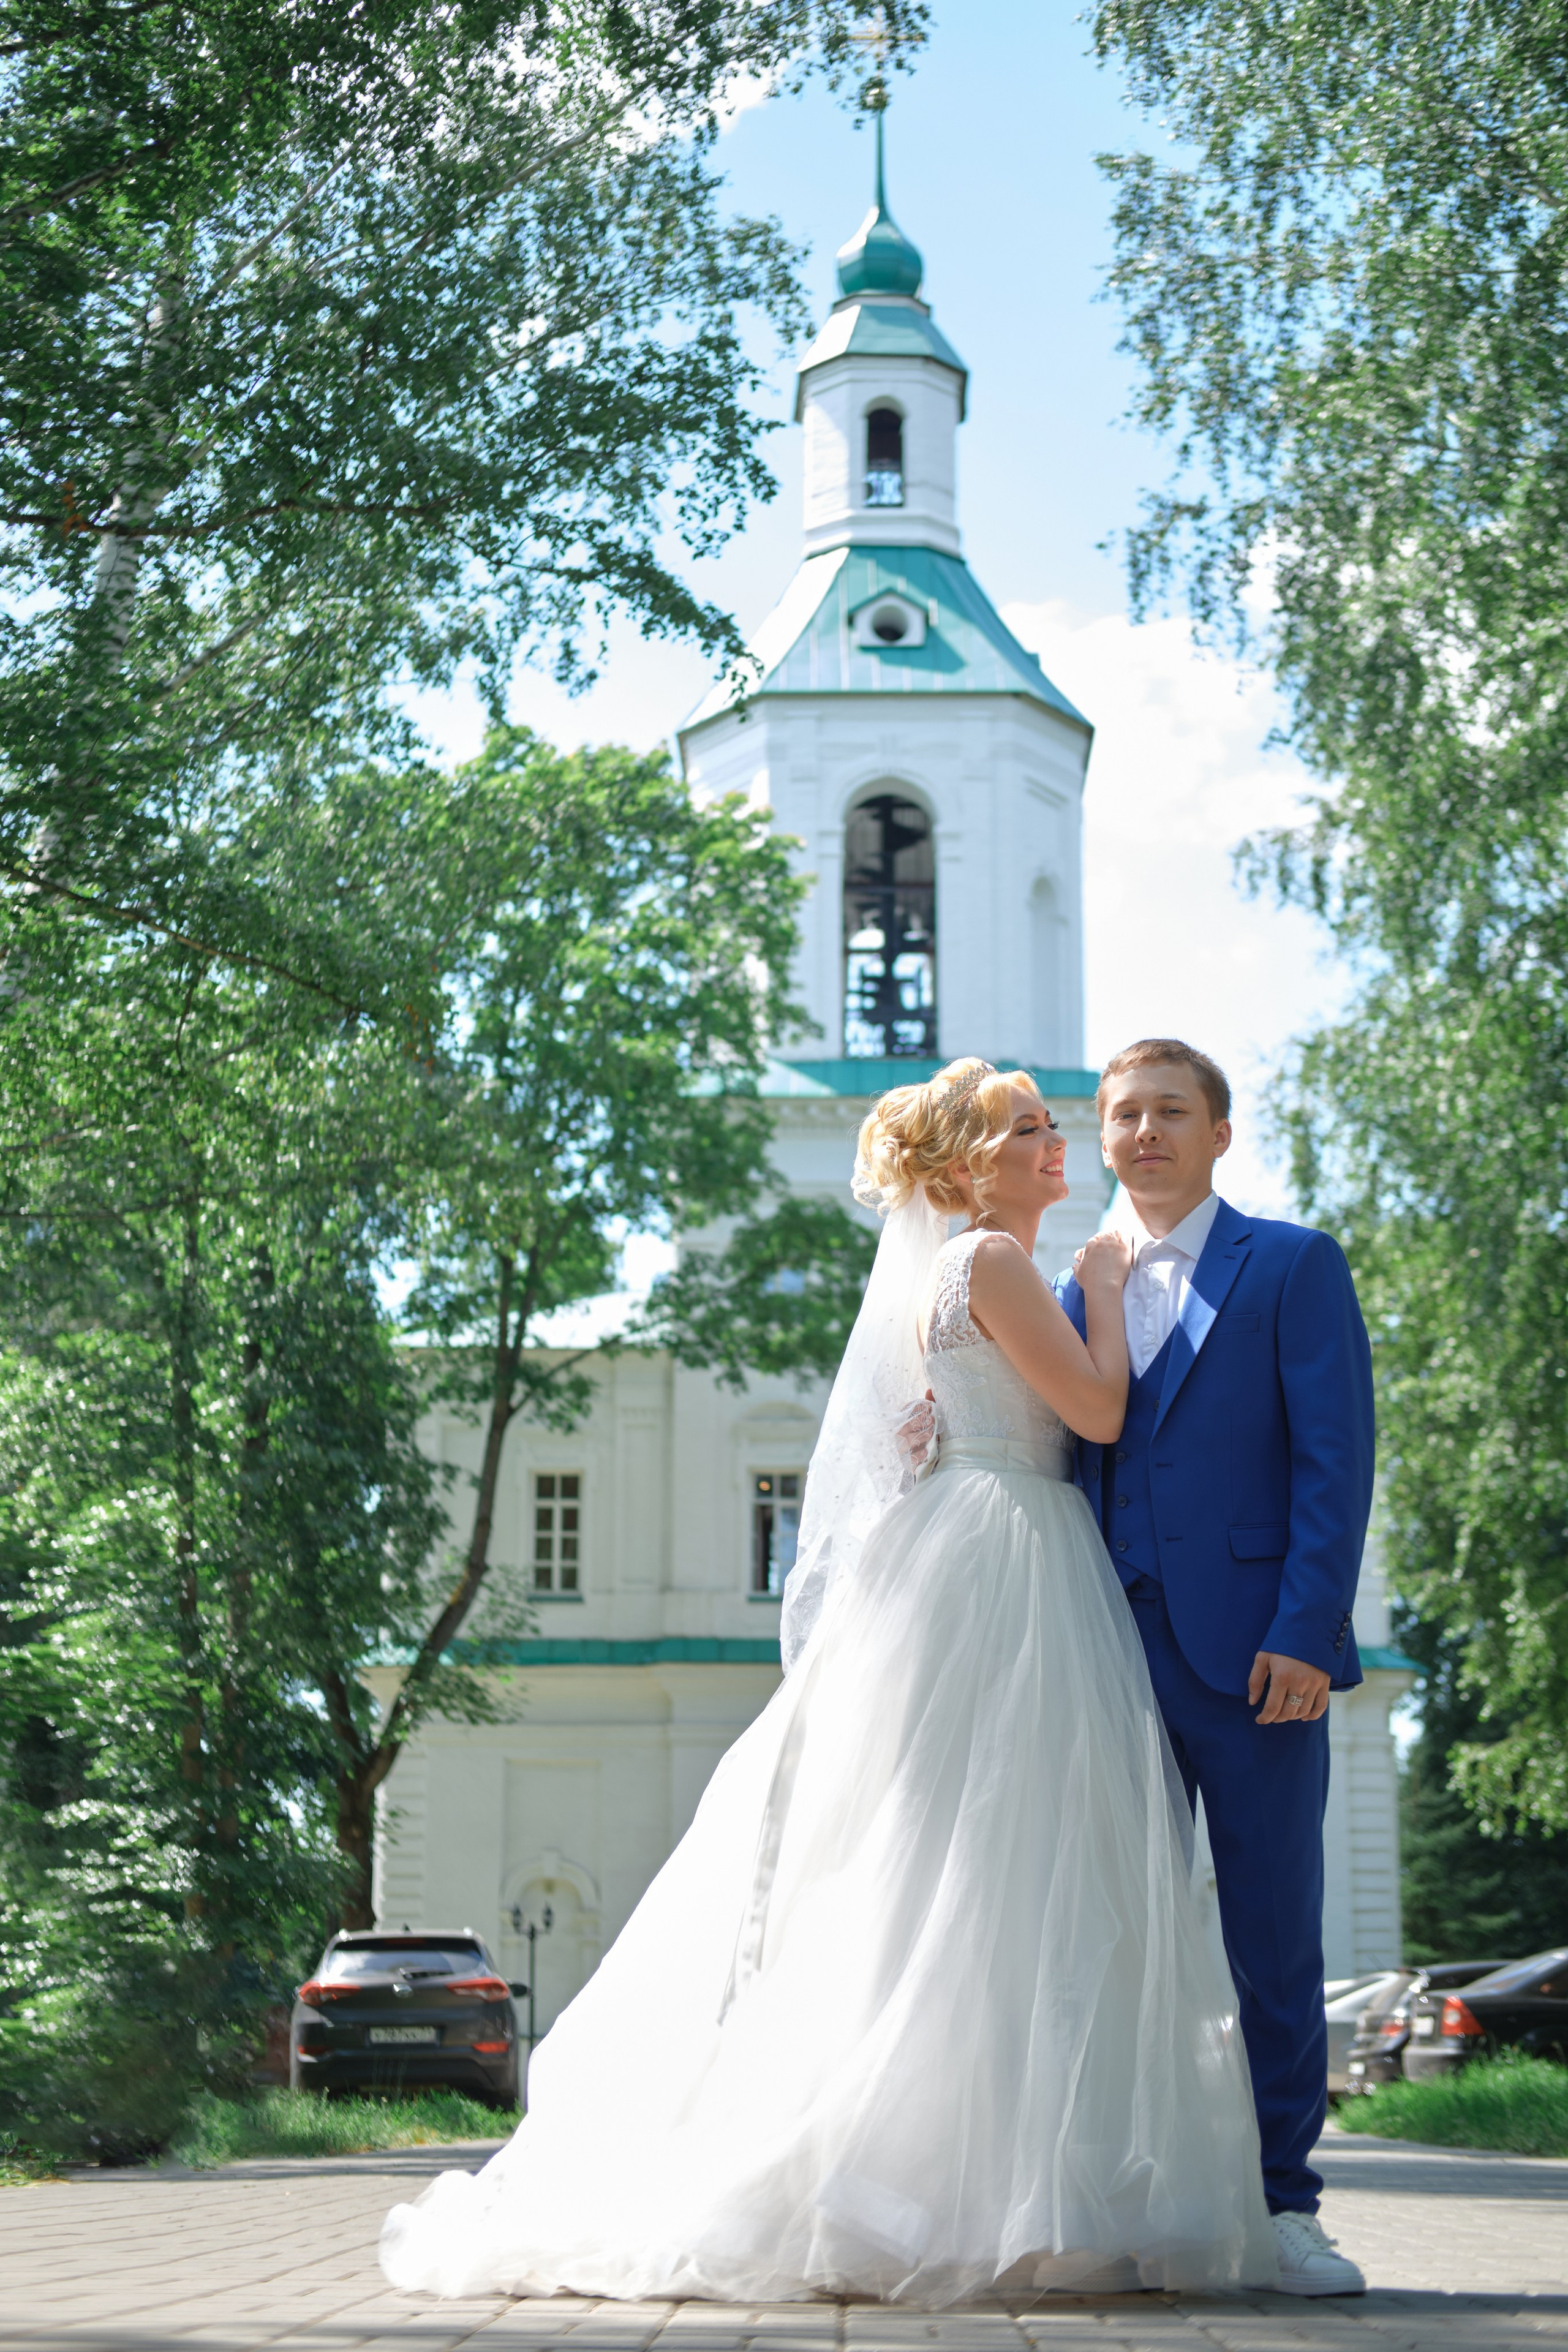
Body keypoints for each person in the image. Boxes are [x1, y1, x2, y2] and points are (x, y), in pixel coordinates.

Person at [380, 1059, 1278, 2306]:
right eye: (1029, 1130)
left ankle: (969, 2185)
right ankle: (975, 2189)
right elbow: (1099, 1414)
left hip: (986, 1545)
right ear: (971, 1166)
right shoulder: (998, 1265)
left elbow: (948, 1418)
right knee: (998, 1869)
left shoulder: (959, 1273)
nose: (1055, 1144)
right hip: (1011, 1554)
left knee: (969, 1872)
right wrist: (1112, 1289)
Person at [1054, 1039, 1376, 2297]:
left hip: (1254, 1661)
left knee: (1268, 1939)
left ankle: (1284, 2206)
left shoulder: (1289, 1265)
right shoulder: (1075, 1281)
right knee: (1103, 1936)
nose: (1143, 1133)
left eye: (1169, 1112)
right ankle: (1123, 2195)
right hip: (1101, 1653)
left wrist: (1305, 1628)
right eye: (1123, 1114)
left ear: (1217, 1133)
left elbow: (1330, 1460)